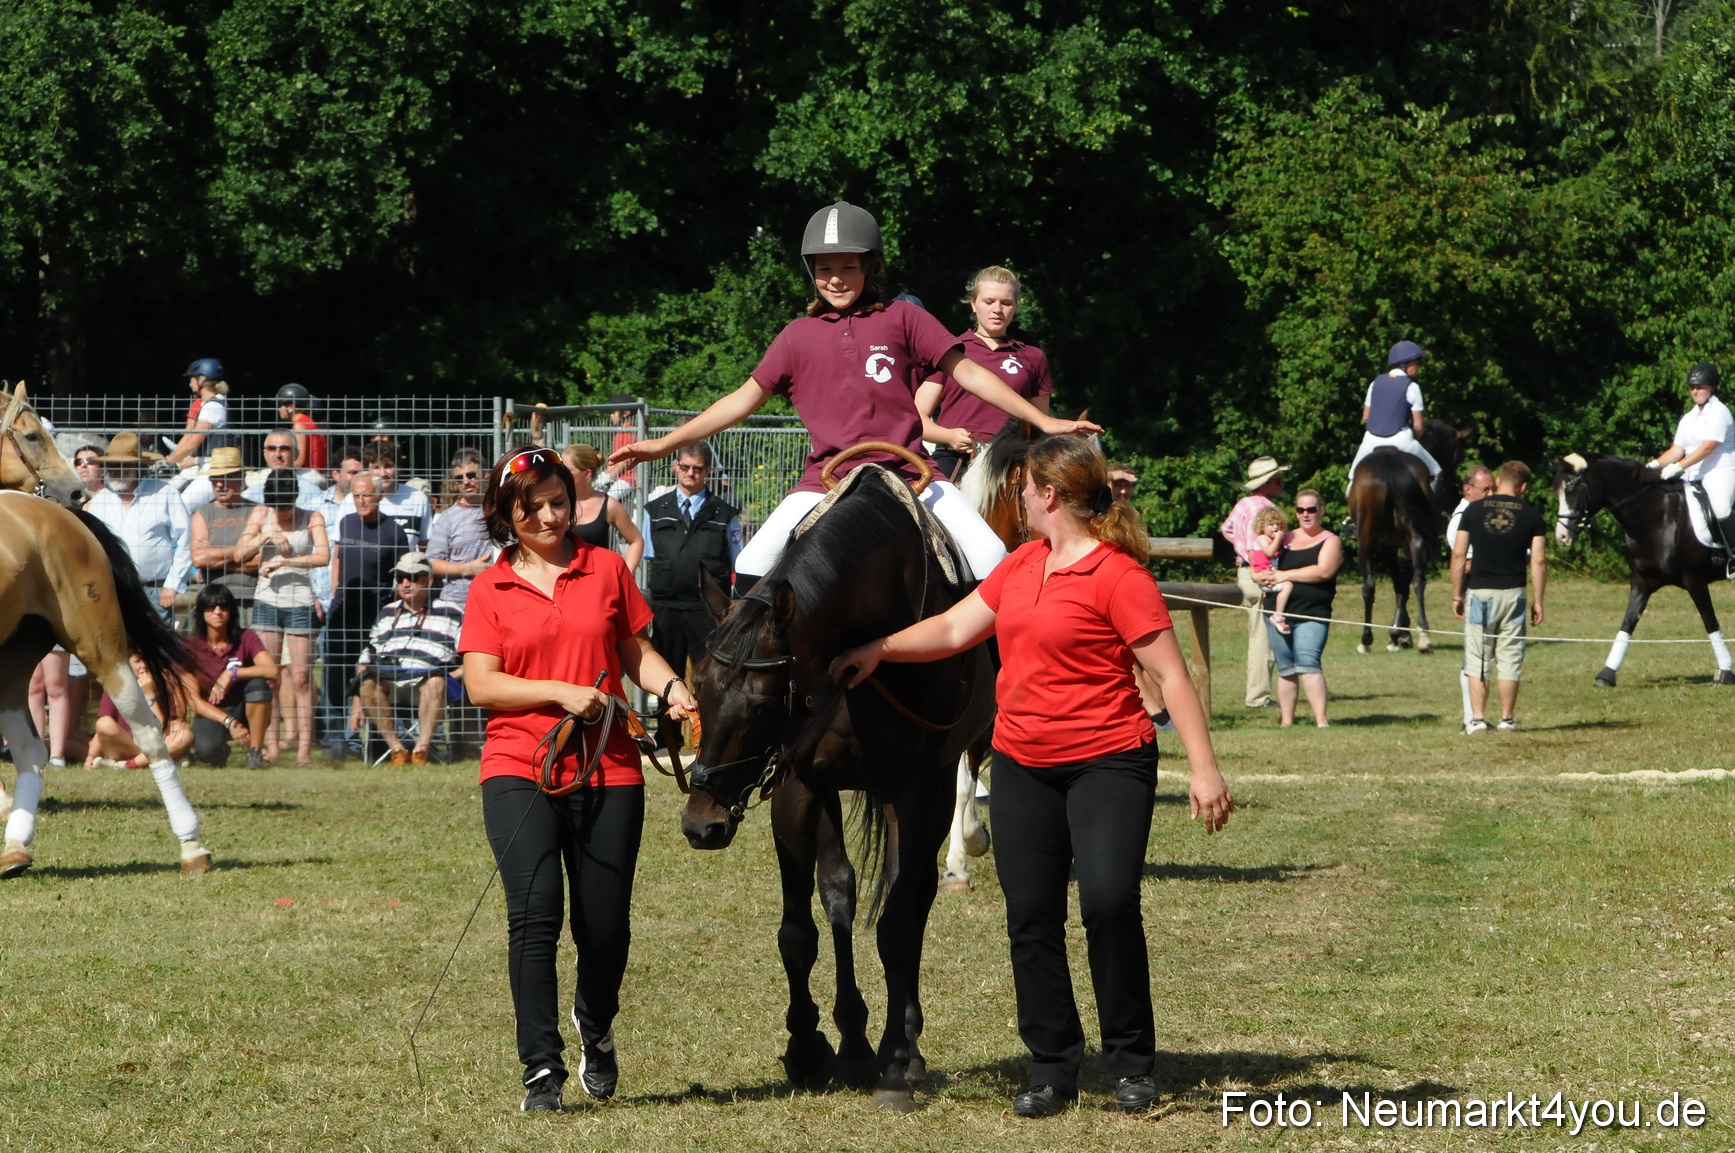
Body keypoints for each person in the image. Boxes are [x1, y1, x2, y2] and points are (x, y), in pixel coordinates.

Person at [829, 436, 1232, 1119]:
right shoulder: (1020, 566)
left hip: (1108, 759)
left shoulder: (1116, 575)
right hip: (1022, 763)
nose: (1017, 497)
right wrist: (878, 649)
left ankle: (1131, 1061)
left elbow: (1168, 674)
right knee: (1031, 914)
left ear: (1048, 495)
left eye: (1024, 488)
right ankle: (1050, 1066)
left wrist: (1203, 768)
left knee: (1107, 902)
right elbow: (957, 625)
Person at [609, 201, 1098, 588]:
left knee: (991, 556)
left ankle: (992, 685)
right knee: (754, 564)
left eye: (848, 266)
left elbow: (967, 372)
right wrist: (661, 445)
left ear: (871, 267)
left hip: (911, 475)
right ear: (811, 272)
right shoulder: (796, 335)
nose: (836, 279)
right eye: (824, 269)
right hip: (827, 480)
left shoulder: (903, 319)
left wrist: (1051, 425)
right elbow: (740, 400)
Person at [459, 445, 698, 1113]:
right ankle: (541, 1069)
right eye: (530, 506)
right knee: (533, 917)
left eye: (557, 501)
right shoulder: (490, 586)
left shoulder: (605, 566)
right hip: (517, 767)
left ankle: (595, 1024)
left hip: (611, 765)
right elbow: (481, 681)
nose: (547, 515)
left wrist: (672, 686)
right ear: (508, 512)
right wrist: (560, 693)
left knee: (604, 927)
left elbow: (634, 651)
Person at [641, 442, 740, 752]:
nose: (690, 474)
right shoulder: (655, 511)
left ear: (707, 471)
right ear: (675, 467)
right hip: (666, 606)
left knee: (709, 674)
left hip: (706, 609)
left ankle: (710, 737)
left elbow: (738, 558)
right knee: (665, 671)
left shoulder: (725, 514)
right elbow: (647, 555)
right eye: (685, 467)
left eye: (698, 469)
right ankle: (664, 738)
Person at [914, 266, 1055, 481]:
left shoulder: (1033, 355)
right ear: (973, 304)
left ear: (1015, 306)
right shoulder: (948, 351)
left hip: (1013, 465)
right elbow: (917, 418)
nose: (997, 309)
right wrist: (949, 436)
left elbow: (1040, 426)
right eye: (989, 302)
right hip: (956, 458)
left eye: (1006, 303)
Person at [237, 469, 330, 765]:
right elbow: (239, 553)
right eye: (278, 507)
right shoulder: (260, 515)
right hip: (267, 601)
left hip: (300, 601)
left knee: (301, 677)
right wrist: (266, 534)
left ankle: (304, 748)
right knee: (271, 677)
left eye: (287, 506)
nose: (283, 513)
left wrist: (286, 561)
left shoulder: (312, 517)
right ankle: (272, 745)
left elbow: (323, 556)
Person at [1452, 461, 1547, 734]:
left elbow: (1459, 554)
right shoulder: (1531, 515)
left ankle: (1478, 719)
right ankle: (1507, 719)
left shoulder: (1472, 510)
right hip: (1514, 594)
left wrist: (1457, 593)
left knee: (1479, 658)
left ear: (1497, 479)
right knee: (1510, 658)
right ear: (1523, 487)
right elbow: (1538, 561)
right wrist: (1538, 600)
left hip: (1480, 592)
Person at [326, 473, 412, 757]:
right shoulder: (346, 522)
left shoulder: (394, 532)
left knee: (371, 676)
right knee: (336, 674)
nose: (361, 501)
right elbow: (337, 557)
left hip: (375, 614)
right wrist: (335, 591)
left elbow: (401, 577)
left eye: (367, 496)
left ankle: (373, 743)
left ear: (380, 497)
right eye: (357, 496)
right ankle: (338, 741)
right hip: (343, 610)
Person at [356, 553, 464, 765]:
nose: (405, 583)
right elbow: (365, 660)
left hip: (430, 682)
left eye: (413, 577)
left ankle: (421, 751)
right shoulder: (387, 613)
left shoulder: (451, 612)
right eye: (401, 577)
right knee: (367, 682)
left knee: (436, 681)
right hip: (389, 682)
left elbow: (472, 657)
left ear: (429, 580)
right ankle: (397, 750)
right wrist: (356, 703)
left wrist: (452, 676)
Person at [1253, 488, 1342, 727]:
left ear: (1321, 511)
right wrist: (1261, 578)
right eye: (1300, 509)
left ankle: (1322, 721)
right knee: (1286, 668)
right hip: (1275, 612)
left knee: (1308, 663)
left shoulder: (1330, 540)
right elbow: (1262, 561)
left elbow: (1323, 572)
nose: (1305, 514)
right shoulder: (1285, 538)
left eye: (1311, 509)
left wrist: (1284, 575)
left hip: (1312, 613)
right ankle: (1287, 722)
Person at [87, 433, 193, 625]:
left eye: (123, 464)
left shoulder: (164, 492)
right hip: (114, 590)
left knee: (158, 653)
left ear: (138, 466)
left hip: (156, 591)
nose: (116, 470)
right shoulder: (100, 501)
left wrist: (172, 585)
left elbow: (184, 540)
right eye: (112, 465)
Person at [1646, 361, 1735, 577]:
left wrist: (1678, 467)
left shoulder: (1719, 412)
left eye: (1700, 386)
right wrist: (1655, 465)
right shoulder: (1688, 418)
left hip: (1720, 470)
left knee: (1722, 508)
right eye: (1693, 387)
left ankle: (1733, 555)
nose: (1695, 391)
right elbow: (1677, 449)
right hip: (1693, 473)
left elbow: (1707, 448)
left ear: (1712, 387)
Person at [182, 583, 279, 767]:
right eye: (211, 607)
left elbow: (271, 670)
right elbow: (194, 701)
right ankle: (220, 751)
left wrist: (232, 673)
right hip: (212, 712)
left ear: (231, 611)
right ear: (202, 612)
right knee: (207, 751)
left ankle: (255, 753)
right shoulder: (191, 646)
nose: (217, 611)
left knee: (258, 684)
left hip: (245, 706)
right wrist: (229, 722)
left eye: (223, 606)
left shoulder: (246, 637)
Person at [1219, 456, 1286, 709]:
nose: (1281, 484)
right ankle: (1258, 697)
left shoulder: (1243, 505)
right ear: (1268, 482)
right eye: (1278, 479)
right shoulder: (1270, 511)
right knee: (1262, 637)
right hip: (1261, 572)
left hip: (1244, 572)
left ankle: (1261, 693)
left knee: (1258, 630)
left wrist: (1241, 549)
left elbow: (1226, 529)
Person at [1348, 340, 1441, 485]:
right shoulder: (1412, 387)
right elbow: (1418, 426)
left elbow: (1365, 417)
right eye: (1417, 362)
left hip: (1371, 441)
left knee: (1353, 478)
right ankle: (1433, 506)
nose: (1418, 367)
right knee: (1436, 472)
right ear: (1406, 365)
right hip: (1401, 441)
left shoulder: (1375, 382)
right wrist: (1414, 439)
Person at [1444, 464, 1495, 728]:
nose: (1490, 494)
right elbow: (1463, 562)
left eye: (1492, 488)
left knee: (1488, 656)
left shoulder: (1483, 513)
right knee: (1476, 658)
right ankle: (1471, 718)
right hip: (1476, 593)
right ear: (1468, 489)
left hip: (1493, 591)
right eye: (1484, 489)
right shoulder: (1460, 520)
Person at [188, 447, 262, 626]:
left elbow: (261, 560)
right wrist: (243, 552)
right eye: (215, 479)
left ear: (241, 477)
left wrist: (214, 558)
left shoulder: (258, 512)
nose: (220, 484)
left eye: (226, 477)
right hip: (212, 602)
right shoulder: (203, 514)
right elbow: (199, 559)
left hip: (250, 599)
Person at [86, 655, 197, 771]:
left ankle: (129, 765)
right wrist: (91, 756)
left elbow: (162, 732)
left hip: (153, 741)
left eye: (147, 660)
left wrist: (150, 695)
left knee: (185, 734)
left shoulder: (163, 686)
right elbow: (100, 731)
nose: (143, 666)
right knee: (103, 723)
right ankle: (162, 757)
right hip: (123, 747)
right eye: (138, 661)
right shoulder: (116, 686)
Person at [427, 448, 496, 611]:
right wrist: (467, 569)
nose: (466, 482)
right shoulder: (447, 518)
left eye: (471, 475)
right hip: (457, 604)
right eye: (459, 478)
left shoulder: (502, 510)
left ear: (485, 474)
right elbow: (431, 563)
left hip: (497, 600)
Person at [566, 443, 644, 571]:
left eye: (568, 470)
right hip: (561, 584)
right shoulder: (556, 503)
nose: (561, 473)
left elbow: (636, 541)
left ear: (587, 474)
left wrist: (625, 576)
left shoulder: (608, 505)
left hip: (597, 585)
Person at [155, 358, 230, 477]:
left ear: (201, 380)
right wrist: (173, 457)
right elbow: (189, 439)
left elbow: (193, 443)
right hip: (208, 464)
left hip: (214, 468)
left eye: (191, 379)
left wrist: (167, 462)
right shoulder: (215, 402)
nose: (190, 384)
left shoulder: (212, 406)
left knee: (184, 496)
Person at [1249, 507, 1294, 634]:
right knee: (1287, 586)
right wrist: (1279, 538)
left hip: (1270, 576)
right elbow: (1269, 552)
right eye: (1270, 524)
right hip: (1266, 578)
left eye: (1278, 524)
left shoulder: (1272, 540)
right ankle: (1278, 616)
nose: (1275, 527)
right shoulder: (1262, 539)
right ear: (1262, 526)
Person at [276, 383, 327, 471]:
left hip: (308, 474)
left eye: (281, 405)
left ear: (291, 407)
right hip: (315, 473)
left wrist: (281, 470)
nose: (279, 409)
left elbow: (299, 461)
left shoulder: (299, 425)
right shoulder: (308, 421)